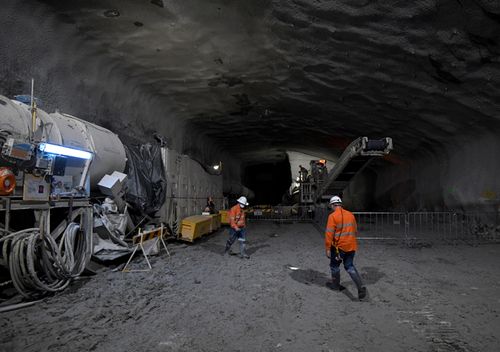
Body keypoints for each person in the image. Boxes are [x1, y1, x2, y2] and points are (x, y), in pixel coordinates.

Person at [324, 195, 366, 300]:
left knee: (334, 266)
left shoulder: (332, 216)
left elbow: (329, 234)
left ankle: (336, 286)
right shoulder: (350, 215)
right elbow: (355, 230)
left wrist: (328, 248)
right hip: (351, 246)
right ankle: (360, 287)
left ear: (333, 205)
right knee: (350, 266)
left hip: (339, 248)